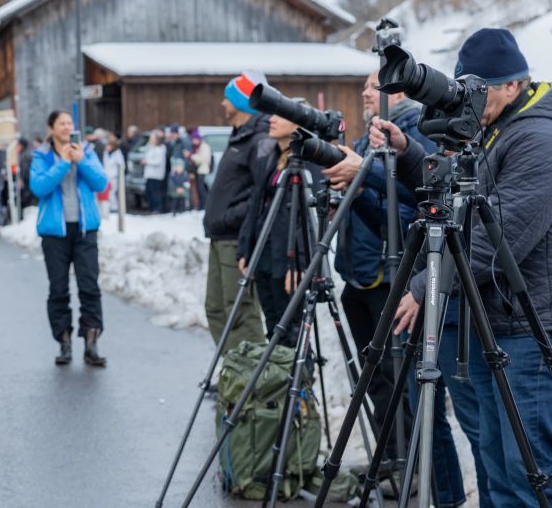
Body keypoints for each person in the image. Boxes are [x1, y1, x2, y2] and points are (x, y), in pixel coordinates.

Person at [379, 29, 552, 508]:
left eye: (482, 89)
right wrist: (409, 153)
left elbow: (496, 243)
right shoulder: (496, 128)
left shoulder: (538, 138)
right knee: (496, 467)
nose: (471, 101)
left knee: (527, 471)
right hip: (491, 324)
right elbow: (458, 201)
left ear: (513, 85)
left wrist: (421, 287)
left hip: (526, 330)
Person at [322, 69, 475, 502]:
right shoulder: (371, 136)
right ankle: (399, 464)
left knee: (413, 389)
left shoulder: (416, 131)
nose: (366, 93)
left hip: (400, 274)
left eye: (373, 86)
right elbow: (379, 203)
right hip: (366, 269)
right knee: (383, 382)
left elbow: (421, 198)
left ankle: (424, 476)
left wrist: (363, 174)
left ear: (399, 90)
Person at [30, 110, 109, 367]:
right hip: (55, 234)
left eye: (69, 123)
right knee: (58, 289)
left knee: (89, 287)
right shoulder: (42, 156)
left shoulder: (86, 150)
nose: (66, 128)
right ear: (52, 128)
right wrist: (63, 163)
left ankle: (91, 343)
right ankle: (64, 343)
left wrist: (81, 160)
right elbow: (39, 187)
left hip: (85, 230)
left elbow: (101, 183)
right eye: (61, 124)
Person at [201, 73, 268, 354]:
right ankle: (234, 373)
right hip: (219, 236)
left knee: (239, 309)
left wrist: (230, 217)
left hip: (235, 236)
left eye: (228, 97)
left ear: (241, 102)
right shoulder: (239, 135)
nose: (222, 103)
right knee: (215, 308)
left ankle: (252, 382)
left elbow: (262, 192)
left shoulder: (258, 138)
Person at [235, 114, 308, 341]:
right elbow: (257, 205)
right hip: (265, 252)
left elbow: (307, 216)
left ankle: (297, 375)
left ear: (297, 124)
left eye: (281, 116)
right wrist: (246, 249)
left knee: (289, 328)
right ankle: (277, 373)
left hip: (287, 256)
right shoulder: (272, 157)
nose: (272, 119)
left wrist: (301, 262)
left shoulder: (305, 159)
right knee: (272, 323)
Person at [184, 128, 212, 210]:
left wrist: (190, 156)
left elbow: (203, 159)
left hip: (202, 170)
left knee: (202, 189)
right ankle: (201, 206)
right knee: (198, 189)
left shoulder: (204, 147)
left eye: (194, 139)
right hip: (197, 170)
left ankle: (205, 205)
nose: (193, 141)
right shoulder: (196, 147)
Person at [141, 131, 166, 213]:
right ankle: (151, 208)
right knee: (149, 192)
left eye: (152, 139)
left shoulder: (160, 149)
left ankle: (157, 208)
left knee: (155, 192)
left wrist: (147, 161)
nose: (150, 140)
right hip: (149, 174)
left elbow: (157, 161)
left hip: (156, 175)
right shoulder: (152, 148)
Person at [102, 136, 125, 213]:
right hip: (106, 175)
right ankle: (109, 207)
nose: (106, 147)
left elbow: (121, 164)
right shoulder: (106, 153)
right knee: (107, 192)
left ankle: (114, 207)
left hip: (114, 176)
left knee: (112, 192)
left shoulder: (117, 153)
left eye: (108, 145)